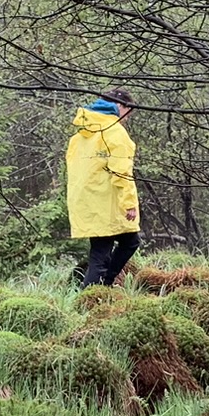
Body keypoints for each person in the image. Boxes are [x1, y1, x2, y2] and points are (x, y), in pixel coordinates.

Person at [67, 87, 140, 287]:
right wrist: (129, 204)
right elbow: (121, 172)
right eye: (129, 110)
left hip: (87, 201)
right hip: (106, 203)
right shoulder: (115, 132)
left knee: (128, 242)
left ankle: (104, 287)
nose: (128, 117)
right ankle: (90, 299)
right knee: (101, 256)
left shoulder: (81, 134)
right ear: (120, 106)